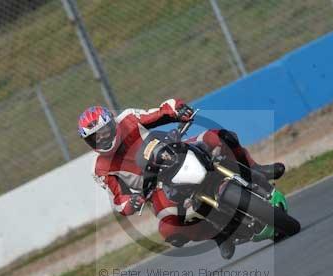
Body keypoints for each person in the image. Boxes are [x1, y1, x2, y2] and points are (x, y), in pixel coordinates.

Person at [78, 100, 285, 260]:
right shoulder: (99, 168)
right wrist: (131, 203)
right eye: (95, 138)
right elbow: (118, 200)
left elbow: (161, 110)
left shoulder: (129, 119)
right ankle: (221, 235)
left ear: (112, 124)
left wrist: (179, 110)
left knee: (219, 136)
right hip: (155, 188)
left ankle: (255, 168)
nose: (102, 139)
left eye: (104, 132)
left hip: (172, 152)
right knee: (171, 231)